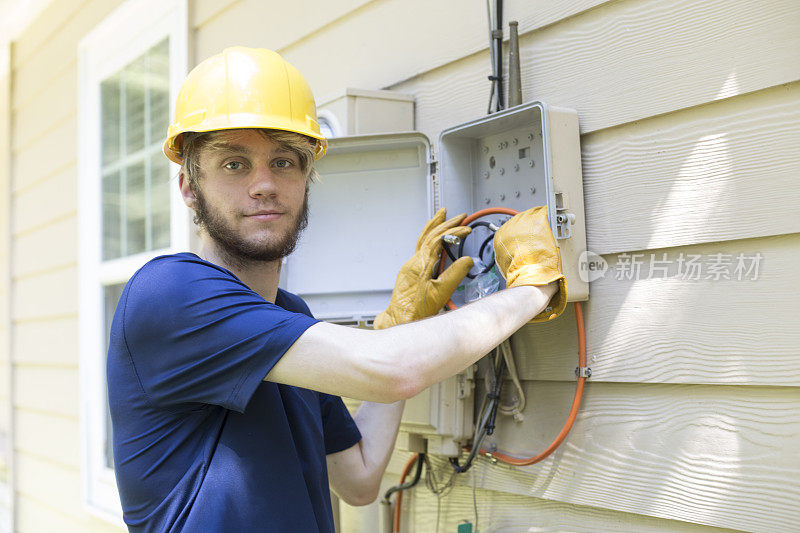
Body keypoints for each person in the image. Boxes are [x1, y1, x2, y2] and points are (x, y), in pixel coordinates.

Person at [106, 47, 567, 533]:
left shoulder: (290, 319)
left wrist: (400, 323)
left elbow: (360, 477)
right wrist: (532, 289)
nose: (264, 184)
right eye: (234, 164)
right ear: (188, 186)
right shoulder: (170, 294)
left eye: (284, 161)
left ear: (307, 179)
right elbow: (391, 370)